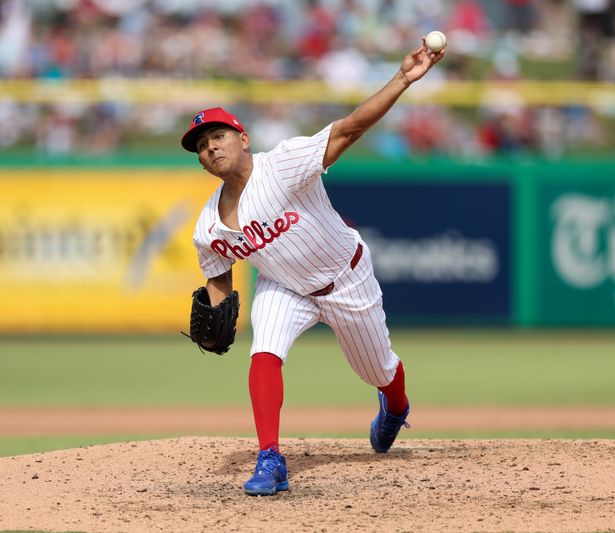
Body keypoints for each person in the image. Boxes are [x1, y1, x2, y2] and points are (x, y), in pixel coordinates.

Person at [180, 38, 445, 496]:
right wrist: (214, 310)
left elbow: (347, 130)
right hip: (284, 288)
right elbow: (217, 274)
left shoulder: (282, 164)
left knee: (378, 370)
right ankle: (270, 458)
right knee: (264, 350)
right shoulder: (208, 225)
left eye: (218, 137)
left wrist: (402, 78)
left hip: (346, 278)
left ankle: (396, 406)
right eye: (202, 146)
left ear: (243, 138)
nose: (211, 149)